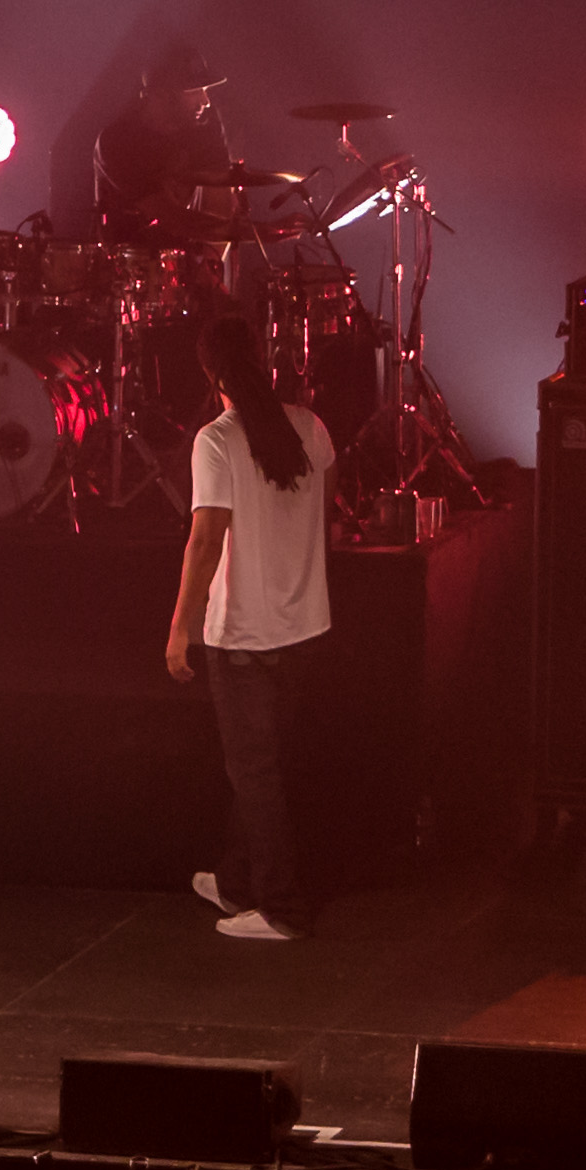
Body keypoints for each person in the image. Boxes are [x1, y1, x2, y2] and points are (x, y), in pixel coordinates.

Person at [165, 311, 334, 942]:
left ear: (209, 372)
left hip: (243, 635)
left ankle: (281, 908)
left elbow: (205, 539)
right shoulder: (309, 427)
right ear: (262, 357)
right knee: (260, 767)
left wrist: (180, 627)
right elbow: (323, 512)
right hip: (306, 627)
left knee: (255, 773)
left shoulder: (216, 440)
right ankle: (235, 882)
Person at [94, 48, 242, 236]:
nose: (206, 101)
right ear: (161, 95)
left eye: (205, 90)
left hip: (192, 249)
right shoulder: (118, 140)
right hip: (127, 250)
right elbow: (169, 216)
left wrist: (215, 251)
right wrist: (249, 232)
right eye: (194, 91)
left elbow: (219, 204)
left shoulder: (206, 125)